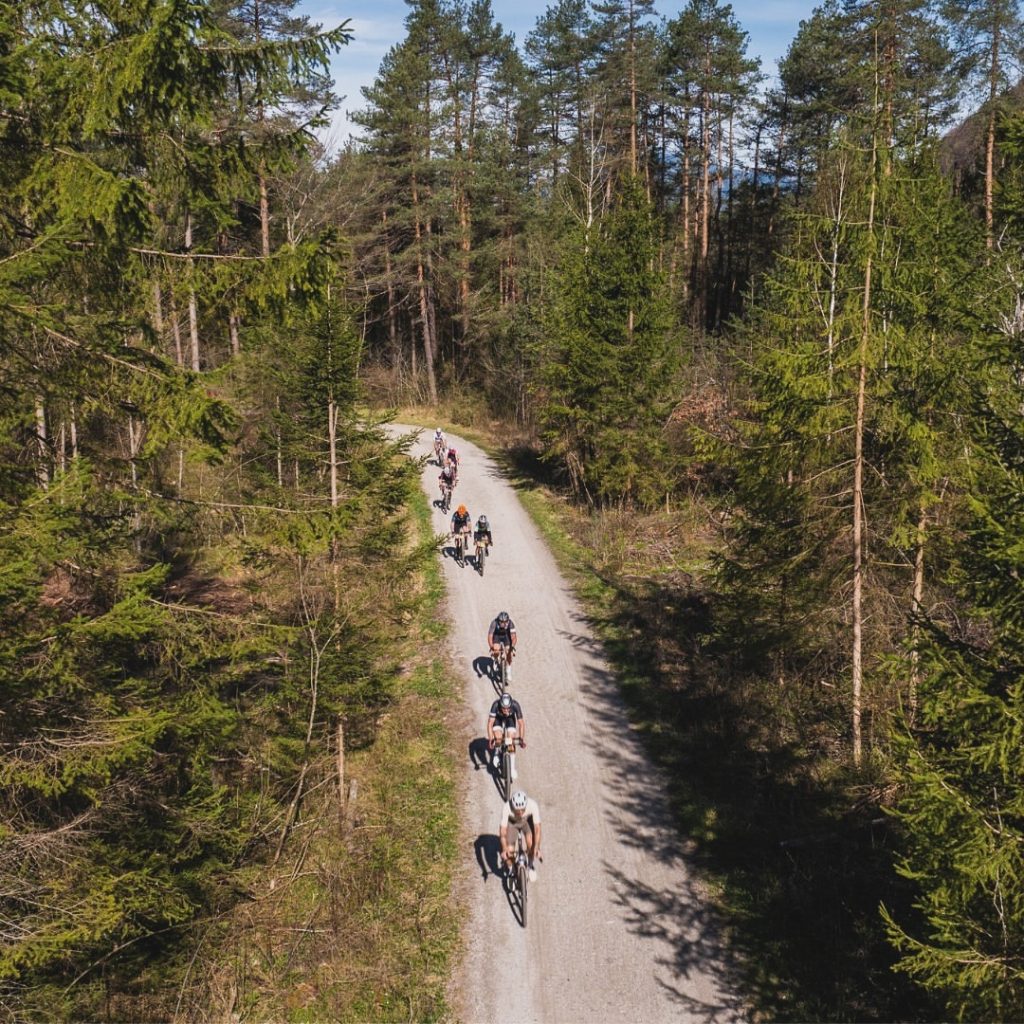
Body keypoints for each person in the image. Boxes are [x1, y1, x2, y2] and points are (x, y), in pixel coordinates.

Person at [500, 789, 541, 882]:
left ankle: (530, 865)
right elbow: (502, 832)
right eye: (517, 811)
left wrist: (537, 848)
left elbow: (537, 829)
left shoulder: (532, 805)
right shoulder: (506, 807)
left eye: (522, 810)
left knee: (531, 843)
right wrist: (504, 849)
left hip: (526, 822)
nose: (520, 813)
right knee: (509, 850)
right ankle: (511, 869)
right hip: (512, 823)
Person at [487, 691, 525, 778]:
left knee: (511, 740)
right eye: (504, 708)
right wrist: (491, 739)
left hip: (510, 719)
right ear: (500, 705)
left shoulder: (515, 705)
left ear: (511, 705)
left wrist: (521, 739)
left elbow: (521, 724)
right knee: (498, 737)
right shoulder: (495, 705)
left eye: (508, 708)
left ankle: (512, 769)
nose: (506, 710)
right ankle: (497, 752)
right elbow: (490, 724)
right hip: (498, 719)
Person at [487, 610, 517, 679]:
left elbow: (514, 637)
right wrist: (491, 647)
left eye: (505, 622)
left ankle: (508, 669)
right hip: (497, 636)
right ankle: (496, 659)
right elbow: (490, 636)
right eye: (501, 622)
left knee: (509, 652)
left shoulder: (511, 623)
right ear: (498, 620)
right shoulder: (494, 623)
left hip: (506, 636)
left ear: (507, 621)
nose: (503, 624)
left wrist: (512, 647)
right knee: (496, 650)